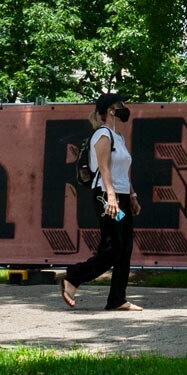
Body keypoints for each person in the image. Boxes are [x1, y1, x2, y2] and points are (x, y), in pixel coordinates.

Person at [60, 93, 143, 311]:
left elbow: (122, 171)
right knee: (114, 247)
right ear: (109, 110)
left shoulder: (119, 138)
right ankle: (73, 277)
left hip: (121, 197)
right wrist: (112, 196)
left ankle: (117, 299)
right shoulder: (103, 134)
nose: (123, 107)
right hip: (106, 196)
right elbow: (104, 168)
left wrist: (131, 196)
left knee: (124, 247)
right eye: (119, 104)